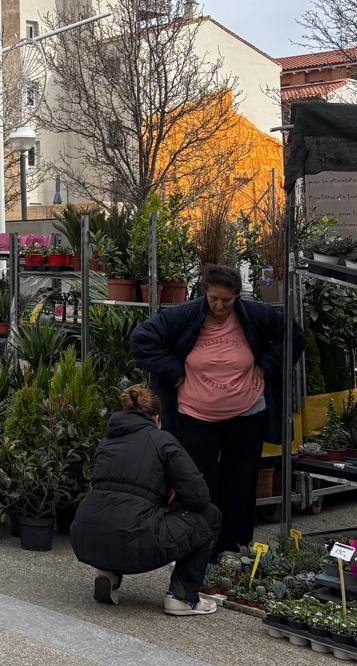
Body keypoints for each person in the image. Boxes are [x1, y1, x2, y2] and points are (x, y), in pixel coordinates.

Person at [130, 263, 296, 555]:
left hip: (247, 413)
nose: (219, 306)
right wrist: (174, 371)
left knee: (242, 482)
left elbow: (294, 336)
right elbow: (141, 340)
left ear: (237, 297)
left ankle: (236, 549)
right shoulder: (184, 315)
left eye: (227, 300)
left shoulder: (256, 315)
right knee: (200, 483)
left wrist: (266, 364)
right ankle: (201, 550)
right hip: (195, 416)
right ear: (204, 292)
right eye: (214, 299)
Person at [70, 384, 221, 616]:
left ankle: (108, 574)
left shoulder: (106, 443)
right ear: (157, 418)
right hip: (133, 539)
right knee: (210, 515)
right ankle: (182, 597)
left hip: (85, 538)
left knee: (120, 513)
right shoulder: (162, 440)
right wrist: (172, 503)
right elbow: (199, 496)